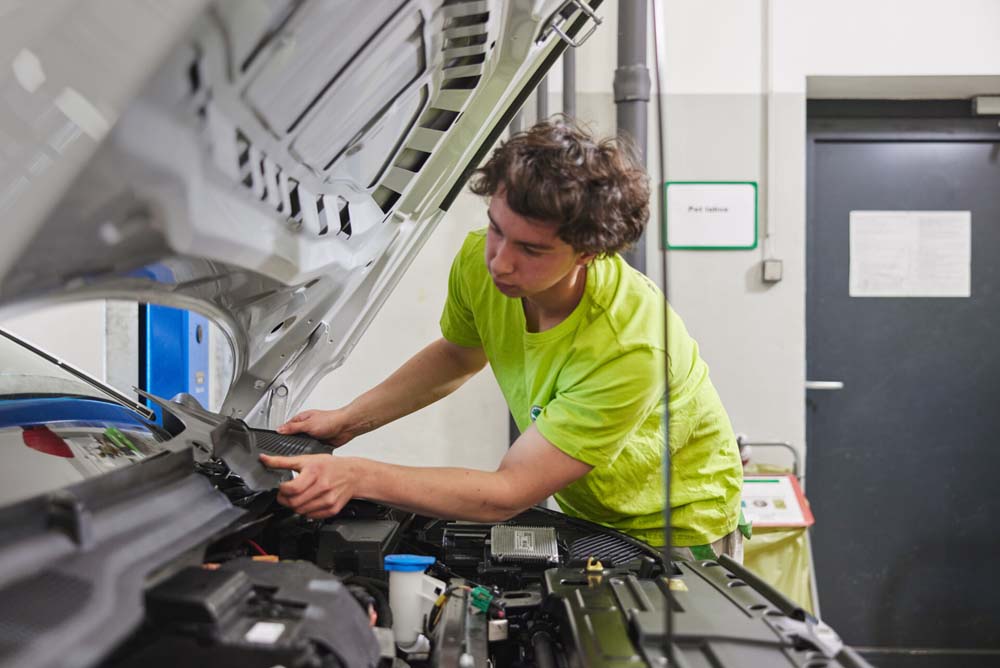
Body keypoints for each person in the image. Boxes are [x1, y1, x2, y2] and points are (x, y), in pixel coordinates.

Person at [260, 119, 745, 559]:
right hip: (591, 513)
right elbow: (459, 354)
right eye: (497, 230)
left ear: (589, 253)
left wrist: (359, 476)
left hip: (680, 525)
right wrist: (349, 420)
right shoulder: (480, 262)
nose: (501, 262)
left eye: (531, 249)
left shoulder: (631, 345)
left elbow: (508, 490)